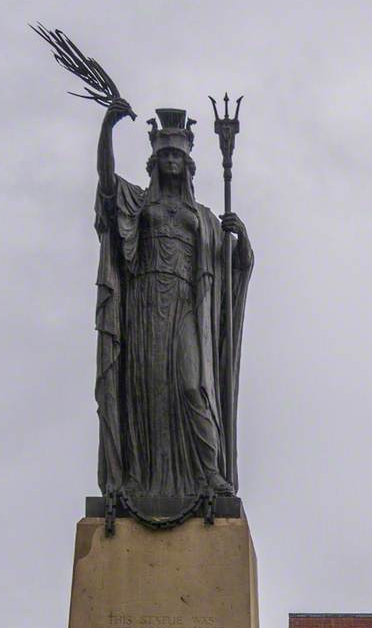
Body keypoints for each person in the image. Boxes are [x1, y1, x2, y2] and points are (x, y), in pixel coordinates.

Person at [94, 101, 253, 500]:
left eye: (177, 155)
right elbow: (107, 186)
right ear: (153, 162)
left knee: (192, 384)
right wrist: (107, 128)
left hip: (187, 305)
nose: (170, 161)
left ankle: (209, 472)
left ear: (188, 165)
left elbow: (233, 267)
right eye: (163, 154)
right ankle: (135, 476)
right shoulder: (138, 202)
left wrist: (242, 240)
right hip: (144, 304)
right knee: (144, 391)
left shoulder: (202, 217)